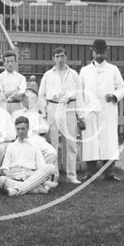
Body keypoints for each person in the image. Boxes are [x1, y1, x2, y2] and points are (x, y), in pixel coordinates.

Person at [79, 39, 124, 181]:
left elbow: (123, 87)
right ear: (92, 51)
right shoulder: (85, 71)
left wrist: (114, 95)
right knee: (91, 140)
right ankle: (90, 171)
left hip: (107, 110)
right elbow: (79, 91)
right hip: (90, 111)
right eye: (96, 53)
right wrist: (81, 112)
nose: (99, 56)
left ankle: (109, 172)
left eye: (102, 53)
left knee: (109, 139)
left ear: (106, 52)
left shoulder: (113, 69)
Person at [38, 47, 86, 184]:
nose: (60, 59)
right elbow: (41, 95)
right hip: (53, 107)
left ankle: (72, 175)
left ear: (66, 57)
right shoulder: (48, 74)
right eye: (57, 56)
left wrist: (80, 115)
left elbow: (79, 96)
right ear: (53, 58)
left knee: (71, 143)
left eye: (62, 56)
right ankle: (55, 175)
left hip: (69, 108)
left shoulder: (73, 74)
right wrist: (44, 112)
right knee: (53, 143)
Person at [0, 116, 57, 196]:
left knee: (50, 168)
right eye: (18, 129)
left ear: (28, 128)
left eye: (23, 129)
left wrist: (29, 175)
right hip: (14, 176)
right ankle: (35, 189)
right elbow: (4, 167)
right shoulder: (11, 146)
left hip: (30, 176)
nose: (20, 132)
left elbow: (41, 168)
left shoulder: (34, 146)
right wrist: (10, 175)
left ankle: (16, 190)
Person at [12, 88, 58, 186]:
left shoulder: (37, 115)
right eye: (27, 98)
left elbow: (45, 127)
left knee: (52, 153)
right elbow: (14, 128)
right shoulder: (16, 113)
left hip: (36, 139)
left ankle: (41, 177)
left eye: (32, 98)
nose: (29, 101)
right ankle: (35, 179)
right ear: (22, 99)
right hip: (22, 138)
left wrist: (34, 129)